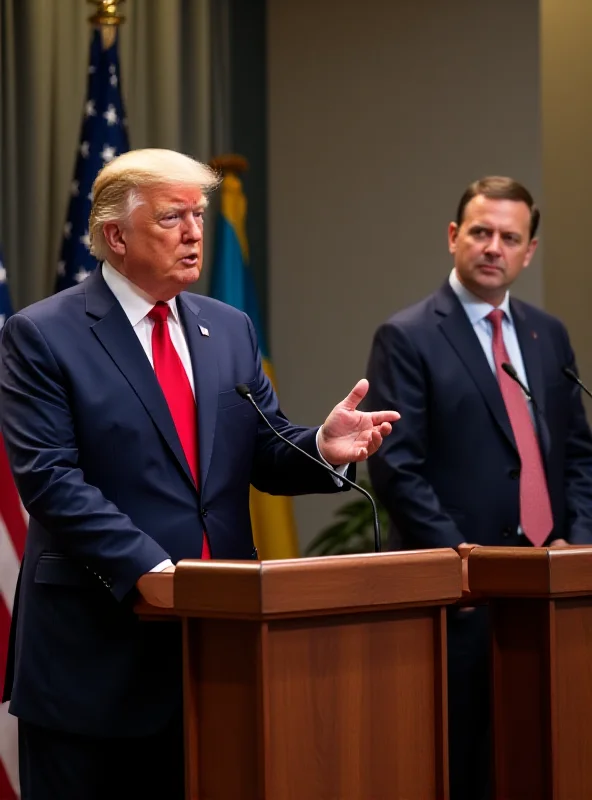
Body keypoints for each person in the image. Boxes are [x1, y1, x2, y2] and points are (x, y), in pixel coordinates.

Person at [0, 148, 400, 800]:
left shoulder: (228, 327)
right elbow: (49, 478)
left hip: (220, 651)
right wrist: (157, 572)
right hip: (97, 656)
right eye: (172, 217)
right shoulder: (43, 335)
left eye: (199, 216)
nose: (193, 233)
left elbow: (259, 450)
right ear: (115, 236)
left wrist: (322, 448)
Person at [364, 175, 592, 800]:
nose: (494, 247)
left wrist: (580, 542)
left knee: (550, 759)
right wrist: (469, 564)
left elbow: (577, 453)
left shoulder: (549, 335)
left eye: (509, 237)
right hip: (462, 596)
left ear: (529, 252)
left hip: (553, 588)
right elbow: (398, 468)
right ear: (453, 237)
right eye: (481, 232)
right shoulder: (408, 336)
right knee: (464, 765)